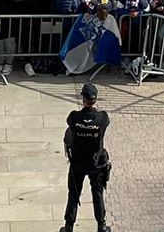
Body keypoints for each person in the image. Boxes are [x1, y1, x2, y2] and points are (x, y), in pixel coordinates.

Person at [62, 79, 111, 232]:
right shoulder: (102, 118)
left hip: (77, 163)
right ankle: (101, 225)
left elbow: (70, 127)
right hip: (96, 163)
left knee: (74, 194)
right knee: (97, 194)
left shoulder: (74, 117)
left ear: (83, 99)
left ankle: (69, 226)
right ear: (95, 100)